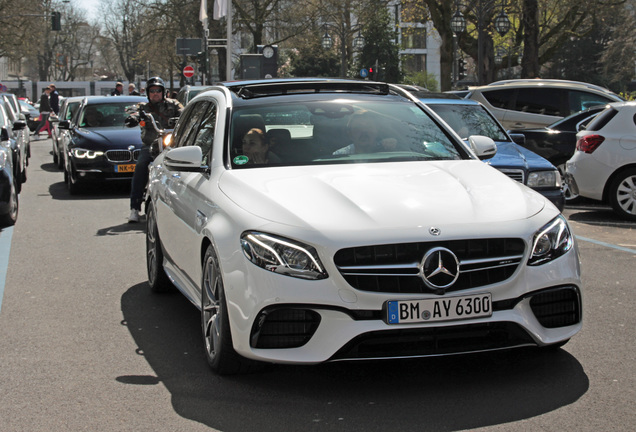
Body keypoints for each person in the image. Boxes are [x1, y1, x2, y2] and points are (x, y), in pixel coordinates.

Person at [125, 77, 183, 223]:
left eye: (158, 90)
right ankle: (134, 208)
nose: (155, 93)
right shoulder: (143, 108)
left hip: (171, 144)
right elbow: (135, 114)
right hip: (151, 145)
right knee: (140, 167)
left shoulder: (174, 105)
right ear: (148, 93)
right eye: (152, 91)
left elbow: (185, 112)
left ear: (163, 92)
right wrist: (133, 119)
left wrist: (183, 117)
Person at [333, 111, 397, 155]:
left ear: (377, 131)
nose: (364, 131)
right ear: (350, 134)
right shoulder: (340, 155)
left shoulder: (388, 148)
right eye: (358, 128)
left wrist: (395, 146)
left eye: (368, 127)